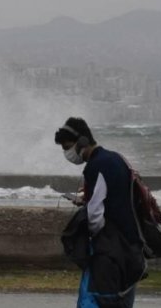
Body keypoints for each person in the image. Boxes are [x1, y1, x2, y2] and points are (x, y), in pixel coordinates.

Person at [55, 117, 146, 308]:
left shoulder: (96, 166)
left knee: (94, 300)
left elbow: (95, 216)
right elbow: (116, 194)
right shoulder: (116, 158)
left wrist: (92, 235)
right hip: (131, 250)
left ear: (82, 142)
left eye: (68, 147)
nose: (67, 153)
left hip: (110, 253)